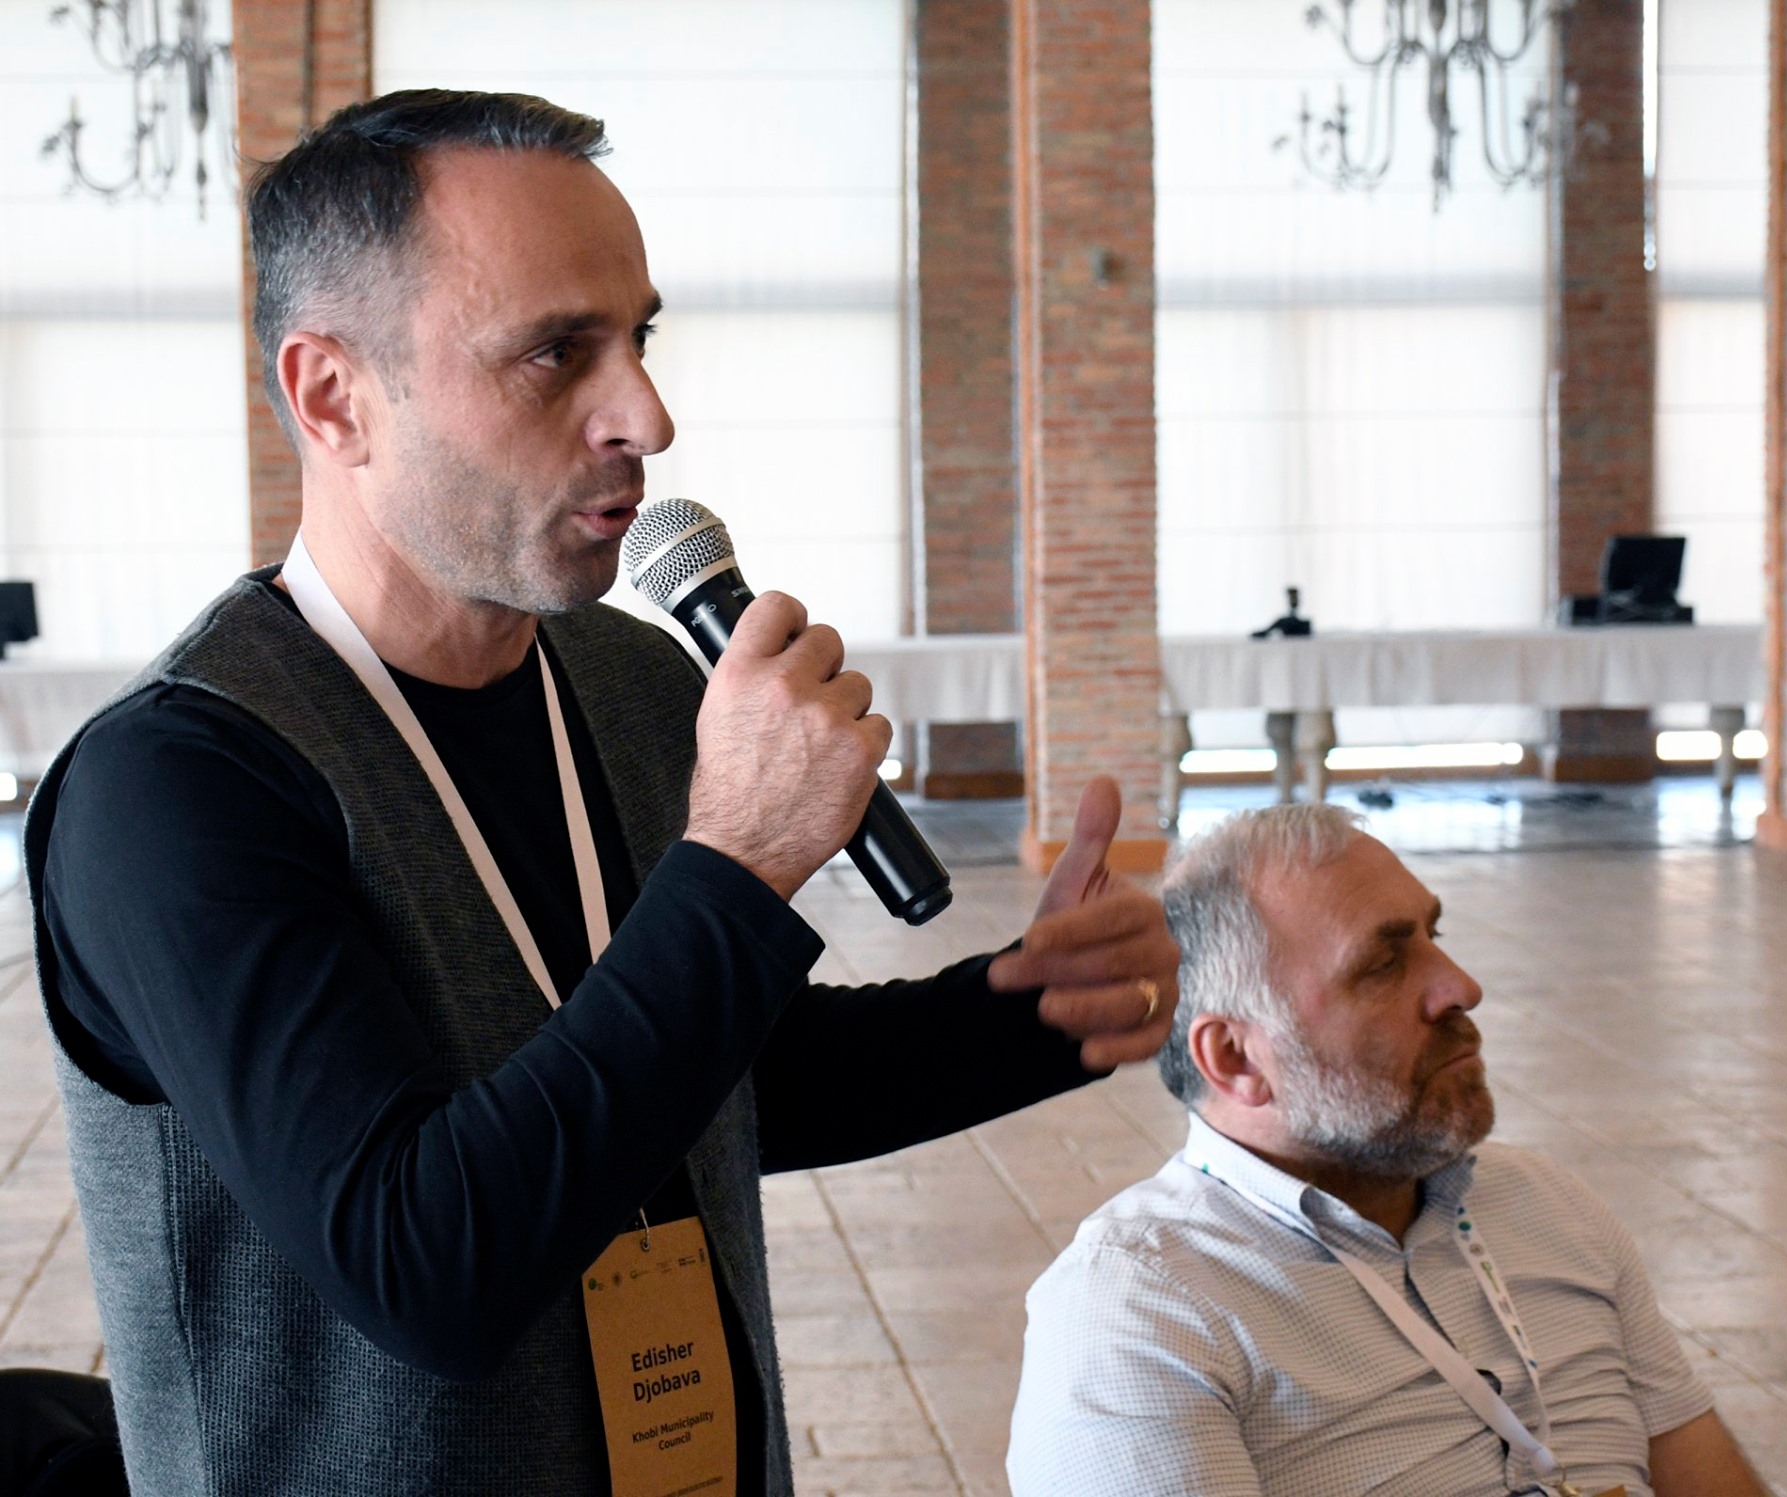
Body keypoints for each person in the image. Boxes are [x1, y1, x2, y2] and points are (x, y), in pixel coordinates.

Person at [26, 90, 1178, 1497]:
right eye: (554, 352)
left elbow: (708, 1082)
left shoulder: (630, 681)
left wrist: (1022, 1016)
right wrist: (735, 866)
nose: (646, 415)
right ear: (333, 395)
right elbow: (424, 1263)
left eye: (640, 339)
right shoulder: (177, 784)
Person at [1008, 804, 1765, 1497]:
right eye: (1383, 965)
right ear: (1237, 1058)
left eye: (1437, 938)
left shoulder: (1546, 1205)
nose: (1460, 987)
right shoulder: (1142, 1308)